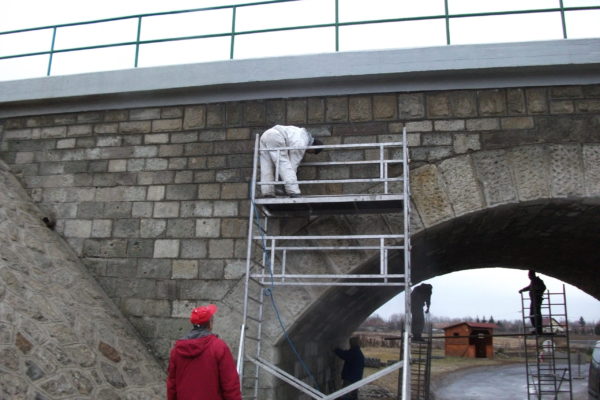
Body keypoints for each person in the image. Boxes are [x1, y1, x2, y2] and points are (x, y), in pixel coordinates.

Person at [167, 304, 242, 400]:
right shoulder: (219, 347)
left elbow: (172, 385)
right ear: (210, 323)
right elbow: (230, 384)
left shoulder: (177, 350)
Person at [259, 125, 322, 198]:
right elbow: (292, 165)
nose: (308, 152)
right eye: (311, 152)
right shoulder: (302, 141)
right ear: (313, 147)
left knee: (266, 166)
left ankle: (267, 192)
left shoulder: (300, 133)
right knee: (284, 163)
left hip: (265, 135)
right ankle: (294, 192)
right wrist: (287, 183)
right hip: (276, 136)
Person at [519, 269, 547, 334]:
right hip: (534, 300)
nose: (528, 277)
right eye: (528, 276)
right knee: (532, 314)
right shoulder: (533, 281)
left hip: (537, 299)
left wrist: (537, 291)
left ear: (532, 275)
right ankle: (537, 329)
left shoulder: (538, 281)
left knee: (536, 314)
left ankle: (538, 329)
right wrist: (522, 290)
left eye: (529, 275)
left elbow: (543, 287)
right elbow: (529, 287)